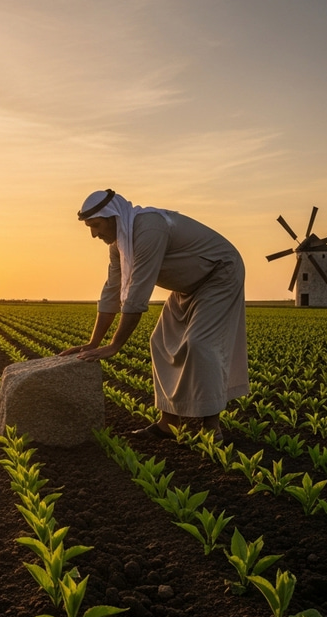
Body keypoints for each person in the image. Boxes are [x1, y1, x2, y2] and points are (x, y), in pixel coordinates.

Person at [60, 188, 249, 440]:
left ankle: (211, 425)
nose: (94, 234)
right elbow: (112, 291)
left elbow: (138, 292)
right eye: (89, 228)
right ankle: (168, 423)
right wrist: (94, 342)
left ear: (113, 217)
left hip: (219, 274)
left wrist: (115, 345)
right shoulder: (120, 245)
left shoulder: (149, 229)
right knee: (159, 342)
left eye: (96, 225)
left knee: (200, 343)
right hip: (187, 286)